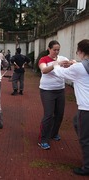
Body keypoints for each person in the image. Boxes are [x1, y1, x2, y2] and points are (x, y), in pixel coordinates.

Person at [53, 39, 89, 176]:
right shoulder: (80, 66)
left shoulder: (79, 68)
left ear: (80, 51)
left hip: (86, 109)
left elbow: (59, 73)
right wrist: (74, 63)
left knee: (84, 139)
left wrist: (56, 63)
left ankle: (87, 167)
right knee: (75, 123)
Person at [38, 40, 69, 150]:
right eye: (54, 49)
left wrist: (72, 62)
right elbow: (44, 70)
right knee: (49, 115)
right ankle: (43, 139)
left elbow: (71, 63)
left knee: (59, 114)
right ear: (49, 49)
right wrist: (55, 64)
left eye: (58, 50)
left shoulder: (62, 58)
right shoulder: (44, 59)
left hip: (60, 90)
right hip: (47, 91)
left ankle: (54, 133)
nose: (56, 52)